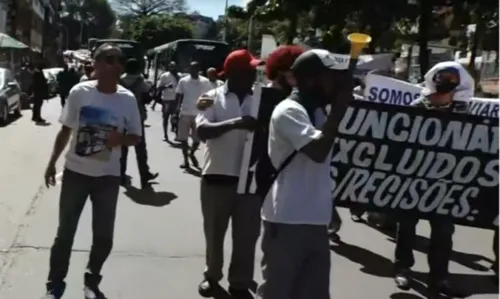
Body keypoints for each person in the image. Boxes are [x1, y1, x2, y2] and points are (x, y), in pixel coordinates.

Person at [42, 43, 142, 299]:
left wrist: (119, 139)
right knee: (65, 233)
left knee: (104, 236)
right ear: (95, 63)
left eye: (120, 60)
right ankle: (55, 284)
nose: (116, 65)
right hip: (76, 172)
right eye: (109, 59)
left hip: (108, 177)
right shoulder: (79, 92)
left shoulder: (127, 99)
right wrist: (52, 162)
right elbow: (65, 129)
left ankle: (92, 280)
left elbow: (135, 137)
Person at [257, 49, 354, 299]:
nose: (336, 86)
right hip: (287, 219)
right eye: (331, 78)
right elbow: (318, 151)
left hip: (315, 219)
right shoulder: (288, 111)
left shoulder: (319, 112)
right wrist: (338, 110)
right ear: (311, 80)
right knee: (277, 292)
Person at [394, 62, 470, 299]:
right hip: (412, 179)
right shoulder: (414, 109)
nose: (441, 96)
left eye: (446, 91)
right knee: (406, 227)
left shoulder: (462, 113)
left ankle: (440, 278)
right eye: (438, 90)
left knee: (444, 232)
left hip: (444, 185)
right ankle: (403, 268)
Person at [195, 49, 262, 299]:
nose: (254, 73)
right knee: (214, 233)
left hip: (250, 181)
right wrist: (236, 123)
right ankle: (211, 276)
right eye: (250, 69)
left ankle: (240, 283)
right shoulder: (210, 96)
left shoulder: (261, 99)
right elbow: (202, 130)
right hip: (216, 176)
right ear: (234, 73)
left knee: (247, 236)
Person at [120, 58, 158, 189]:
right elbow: (148, 97)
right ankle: (144, 174)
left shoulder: (120, 80)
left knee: (122, 148)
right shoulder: (141, 81)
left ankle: (121, 175)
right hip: (137, 117)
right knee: (141, 149)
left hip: (121, 117)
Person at [175, 61, 212, 169]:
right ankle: (185, 160)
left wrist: (208, 111)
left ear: (198, 70)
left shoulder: (205, 82)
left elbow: (209, 97)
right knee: (183, 138)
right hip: (185, 112)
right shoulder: (183, 81)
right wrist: (176, 110)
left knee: (197, 139)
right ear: (189, 69)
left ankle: (191, 153)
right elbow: (179, 96)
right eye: (191, 69)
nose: (193, 71)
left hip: (199, 114)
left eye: (195, 69)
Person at [156, 62, 181, 141]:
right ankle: (165, 135)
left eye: (174, 66)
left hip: (176, 100)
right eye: (171, 66)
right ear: (169, 67)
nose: (173, 68)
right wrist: (167, 86)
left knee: (176, 118)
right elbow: (159, 87)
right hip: (166, 100)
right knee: (165, 118)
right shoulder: (165, 75)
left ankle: (177, 135)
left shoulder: (179, 76)